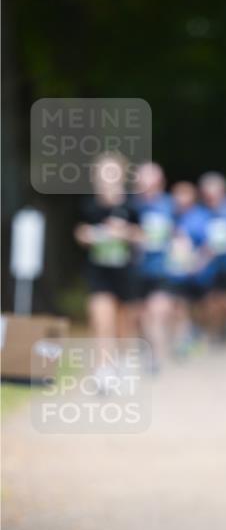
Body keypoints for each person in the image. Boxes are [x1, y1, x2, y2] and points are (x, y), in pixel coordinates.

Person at [74, 152, 141, 390]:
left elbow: (143, 235)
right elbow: (80, 232)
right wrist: (92, 235)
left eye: (112, 170)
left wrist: (125, 233)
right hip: (98, 270)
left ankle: (122, 363)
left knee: (123, 325)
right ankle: (103, 370)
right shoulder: (89, 203)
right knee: (103, 320)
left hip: (125, 271)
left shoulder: (133, 203)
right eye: (103, 170)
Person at [133, 162, 174, 370]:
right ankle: (148, 347)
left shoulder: (170, 205)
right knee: (141, 315)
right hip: (137, 269)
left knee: (158, 311)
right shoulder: (132, 206)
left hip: (162, 268)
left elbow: (182, 233)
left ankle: (156, 356)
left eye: (151, 178)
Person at [196, 171, 226, 344]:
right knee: (211, 300)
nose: (211, 199)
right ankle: (213, 332)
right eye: (208, 196)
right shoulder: (198, 214)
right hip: (208, 268)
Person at [165, 181, 209, 357]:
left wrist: (199, 263)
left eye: (186, 194)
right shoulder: (170, 215)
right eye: (178, 194)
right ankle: (182, 339)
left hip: (197, 272)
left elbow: (209, 244)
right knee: (178, 305)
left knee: (198, 306)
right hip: (175, 271)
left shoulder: (201, 217)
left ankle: (196, 332)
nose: (181, 198)